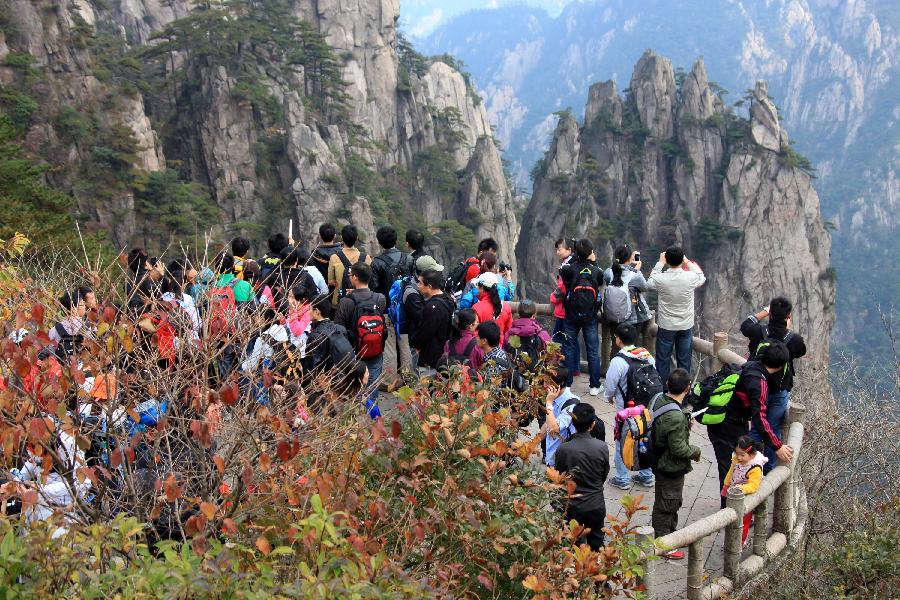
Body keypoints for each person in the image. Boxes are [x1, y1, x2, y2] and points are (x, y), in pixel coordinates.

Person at [707, 342, 794, 508]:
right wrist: (778, 446)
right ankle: (730, 513)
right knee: (730, 466)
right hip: (726, 425)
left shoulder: (752, 366)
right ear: (781, 366)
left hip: (727, 421)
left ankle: (733, 509)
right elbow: (760, 419)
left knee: (732, 464)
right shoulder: (759, 382)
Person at [740, 297, 806, 473]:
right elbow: (800, 350)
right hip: (779, 391)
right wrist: (788, 332)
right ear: (788, 316)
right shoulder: (794, 340)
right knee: (772, 427)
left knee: (756, 424)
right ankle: (767, 468)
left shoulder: (757, 331)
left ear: (770, 313)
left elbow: (745, 324)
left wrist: (764, 311)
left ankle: (745, 463)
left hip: (755, 386)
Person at [650, 368, 702, 559]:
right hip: (669, 466)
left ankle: (672, 537)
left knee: (670, 501)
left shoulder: (658, 399)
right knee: (667, 504)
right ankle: (663, 545)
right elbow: (679, 449)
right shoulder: (676, 416)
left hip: (657, 459)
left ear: (667, 384)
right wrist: (695, 451)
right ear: (688, 389)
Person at [604, 323, 656, 489]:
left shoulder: (618, 361)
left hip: (627, 407)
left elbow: (610, 386)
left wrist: (609, 398)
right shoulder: (646, 355)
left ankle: (622, 477)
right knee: (645, 436)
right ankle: (647, 475)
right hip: (647, 404)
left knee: (623, 438)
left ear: (618, 339)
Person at [553, 402, 610, 550]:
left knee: (573, 545)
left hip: (573, 506)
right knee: (596, 544)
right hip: (595, 503)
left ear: (573, 422)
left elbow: (559, 476)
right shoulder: (602, 447)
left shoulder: (564, 449)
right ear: (592, 425)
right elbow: (603, 474)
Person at [646, 246, 705, 387]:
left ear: (667, 260)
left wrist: (660, 263)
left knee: (662, 361)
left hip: (666, 326)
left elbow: (649, 283)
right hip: (685, 326)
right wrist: (688, 262)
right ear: (682, 260)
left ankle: (661, 394)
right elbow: (701, 276)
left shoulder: (661, 279)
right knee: (684, 362)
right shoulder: (690, 277)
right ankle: (682, 396)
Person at [334, 262, 386, 418]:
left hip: (354, 353)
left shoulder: (346, 302)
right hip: (376, 350)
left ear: (355, 277)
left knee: (351, 388)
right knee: (372, 387)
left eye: (350, 275)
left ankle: (353, 421)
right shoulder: (380, 298)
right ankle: (374, 419)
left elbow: (339, 329)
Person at [560, 238, 603, 395]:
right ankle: (594, 386)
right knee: (592, 349)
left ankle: (568, 384)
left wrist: (575, 258)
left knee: (568, 348)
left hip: (571, 314)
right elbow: (599, 281)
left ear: (576, 252)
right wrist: (594, 262)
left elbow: (563, 277)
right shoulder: (597, 271)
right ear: (591, 253)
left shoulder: (569, 269)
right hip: (590, 316)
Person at [370, 226, 414, 379]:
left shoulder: (377, 262)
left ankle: (390, 379)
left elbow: (374, 289)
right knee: (405, 343)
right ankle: (408, 377)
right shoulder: (408, 258)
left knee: (389, 345)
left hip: (387, 309)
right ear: (396, 240)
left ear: (379, 242)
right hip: (406, 308)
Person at [722, 435, 768, 546]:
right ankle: (730, 540)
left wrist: (742, 488)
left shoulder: (755, 467)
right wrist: (726, 485)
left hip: (746, 496)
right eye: (737, 454)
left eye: (742, 455)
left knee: (743, 522)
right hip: (734, 491)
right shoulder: (736, 459)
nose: (739, 457)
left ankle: (739, 543)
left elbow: (754, 485)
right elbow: (731, 472)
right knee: (732, 519)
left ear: (752, 454)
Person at [409, 269, 455, 370]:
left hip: (431, 356)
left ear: (429, 286)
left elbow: (425, 332)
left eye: (420, 283)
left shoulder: (433, 307)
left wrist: (415, 342)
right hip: (444, 352)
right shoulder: (448, 299)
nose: (418, 285)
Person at [550, 238, 579, 375]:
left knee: (557, 339)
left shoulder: (567, 266)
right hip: (572, 309)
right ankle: (575, 369)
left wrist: (552, 298)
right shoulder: (575, 263)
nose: (557, 252)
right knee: (572, 341)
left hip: (563, 310)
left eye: (559, 249)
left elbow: (562, 289)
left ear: (569, 250)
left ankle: (559, 369)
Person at [541, 367, 579, 467]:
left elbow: (554, 428)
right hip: (551, 458)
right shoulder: (553, 396)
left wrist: (548, 403)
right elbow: (547, 424)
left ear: (560, 385)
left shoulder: (571, 404)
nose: (544, 385)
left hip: (562, 463)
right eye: (544, 381)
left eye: (547, 383)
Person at [328, 225, 372, 308]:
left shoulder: (334, 257)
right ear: (356, 238)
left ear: (342, 238)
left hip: (340, 301)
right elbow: (370, 280)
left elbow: (331, 282)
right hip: (362, 300)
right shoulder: (366, 258)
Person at [471, 272, 513, 340]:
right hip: (500, 348)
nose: (476, 288)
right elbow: (508, 331)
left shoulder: (476, 308)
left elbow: (473, 333)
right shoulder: (506, 307)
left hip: (481, 348)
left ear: (481, 287)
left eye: (477, 285)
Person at [49, 290, 89, 358]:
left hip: (61, 367)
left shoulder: (54, 330)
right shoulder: (87, 328)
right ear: (73, 309)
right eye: (82, 304)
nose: (85, 307)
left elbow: (50, 353)